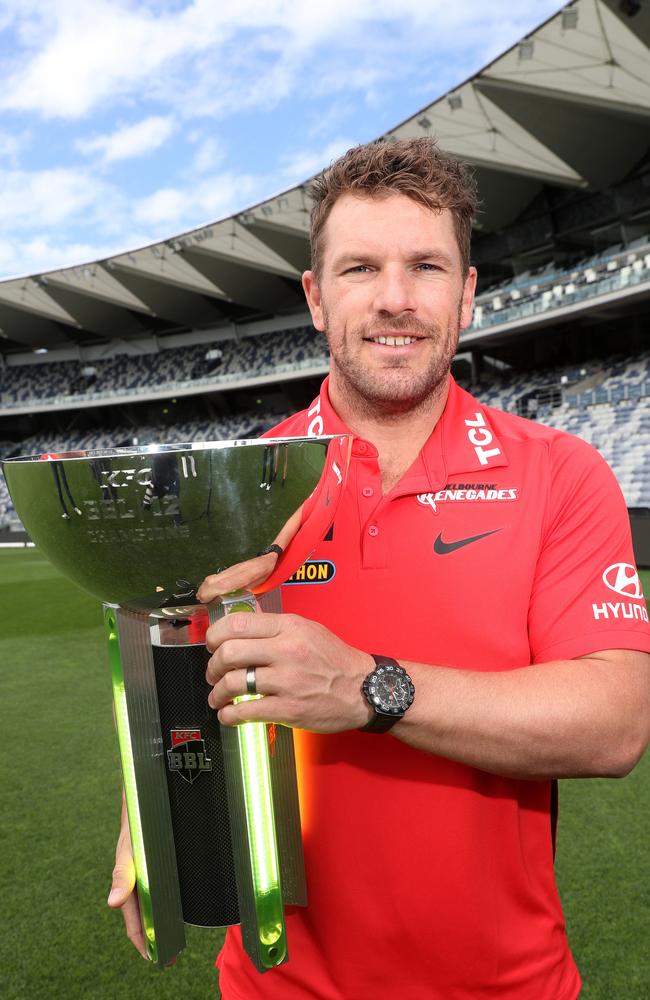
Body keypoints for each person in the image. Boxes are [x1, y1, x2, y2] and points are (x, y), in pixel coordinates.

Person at [109, 138, 650, 999]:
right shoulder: (234, 485)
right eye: (361, 268)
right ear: (317, 299)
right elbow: (193, 691)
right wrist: (152, 800)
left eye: (427, 266)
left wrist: (368, 686)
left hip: (506, 985)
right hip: (277, 983)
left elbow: (615, 724)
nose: (395, 300)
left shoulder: (561, 471)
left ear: (466, 295)